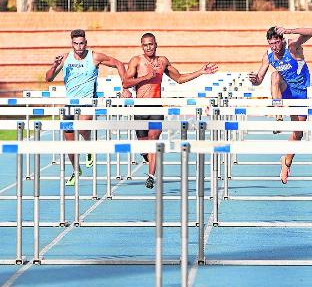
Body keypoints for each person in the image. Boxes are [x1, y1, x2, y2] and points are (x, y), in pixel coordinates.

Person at [122, 33, 218, 189]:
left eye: (151, 44)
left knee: (154, 140)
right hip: (139, 107)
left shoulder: (162, 61)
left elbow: (179, 78)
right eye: (145, 45)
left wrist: (200, 72)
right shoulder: (136, 61)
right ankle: (147, 155)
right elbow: (126, 82)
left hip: (156, 107)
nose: (148, 47)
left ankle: (151, 176)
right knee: (144, 145)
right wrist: (145, 77)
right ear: (142, 46)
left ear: (156, 44)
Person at [45, 29, 131, 186]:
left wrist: (125, 87)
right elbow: (48, 79)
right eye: (76, 44)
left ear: (86, 43)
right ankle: (76, 170)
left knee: (83, 127)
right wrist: (54, 65)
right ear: (72, 44)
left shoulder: (94, 56)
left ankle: (88, 145)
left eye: (82, 43)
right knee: (69, 142)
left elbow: (119, 63)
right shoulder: (65, 58)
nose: (79, 47)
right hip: (70, 103)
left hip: (88, 101)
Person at [248, 26, 312, 184]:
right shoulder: (268, 56)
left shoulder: (292, 47)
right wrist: (254, 79)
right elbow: (259, 79)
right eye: (271, 43)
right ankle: (278, 115)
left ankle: (286, 162)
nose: (274, 47)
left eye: (276, 43)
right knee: (275, 75)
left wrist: (290, 30)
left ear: (282, 41)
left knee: (298, 134)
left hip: (300, 91)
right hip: (284, 90)